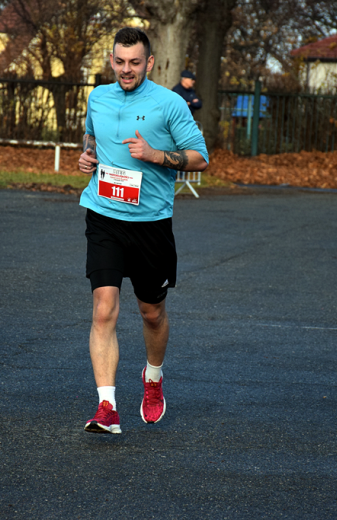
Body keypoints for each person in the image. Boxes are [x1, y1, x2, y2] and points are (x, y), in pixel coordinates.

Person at [77, 27, 209, 434]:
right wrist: (88, 155)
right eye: (119, 61)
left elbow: (200, 158)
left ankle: (153, 378)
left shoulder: (169, 104)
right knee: (104, 308)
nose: (126, 70)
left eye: (135, 62)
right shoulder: (98, 96)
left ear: (149, 63)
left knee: (151, 313)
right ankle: (106, 406)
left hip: (150, 224)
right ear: (111, 59)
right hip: (103, 214)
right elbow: (91, 135)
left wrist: (154, 154)